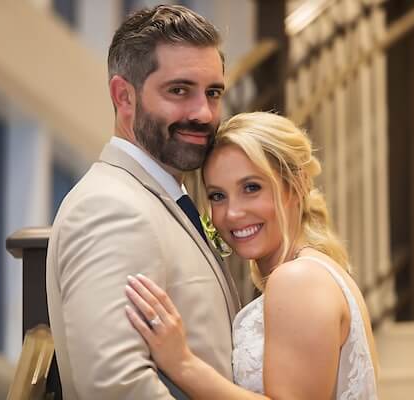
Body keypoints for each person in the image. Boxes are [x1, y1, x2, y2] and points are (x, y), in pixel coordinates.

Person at [46, 5, 240, 399]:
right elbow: (115, 386)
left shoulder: (162, 198)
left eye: (213, 93)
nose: (203, 113)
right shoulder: (110, 208)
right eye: (179, 90)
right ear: (124, 96)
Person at [125, 111, 380, 399]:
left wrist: (183, 364)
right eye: (217, 196)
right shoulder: (317, 272)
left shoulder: (298, 279)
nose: (232, 213)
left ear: (295, 186)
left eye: (251, 188)